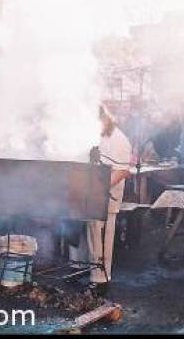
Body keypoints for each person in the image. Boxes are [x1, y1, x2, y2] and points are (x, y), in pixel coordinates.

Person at [69, 104, 132, 295]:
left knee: (101, 237)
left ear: (104, 119)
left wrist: (98, 189)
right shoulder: (94, 135)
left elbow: (121, 171)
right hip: (88, 192)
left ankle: (101, 280)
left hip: (106, 196)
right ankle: (80, 268)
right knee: (87, 233)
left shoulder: (119, 139)